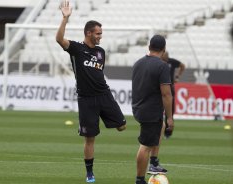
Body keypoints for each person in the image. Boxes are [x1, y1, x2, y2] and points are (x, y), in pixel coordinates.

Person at [56, 0, 127, 183]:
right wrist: (65, 19)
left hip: (104, 95)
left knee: (122, 126)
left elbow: (97, 73)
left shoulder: (101, 52)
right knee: (90, 138)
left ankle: (103, 118)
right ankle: (89, 173)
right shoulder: (77, 49)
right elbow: (59, 40)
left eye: (101, 33)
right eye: (98, 33)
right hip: (86, 99)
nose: (100, 37)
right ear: (88, 33)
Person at [132, 35, 174, 184]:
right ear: (163, 49)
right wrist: (170, 117)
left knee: (160, 126)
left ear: (149, 47)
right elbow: (166, 94)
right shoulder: (162, 66)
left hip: (139, 107)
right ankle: (140, 180)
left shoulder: (138, 63)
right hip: (150, 110)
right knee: (145, 145)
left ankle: (154, 162)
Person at [162, 51, 185, 138]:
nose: (166, 57)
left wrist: (177, 76)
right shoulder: (158, 63)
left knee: (170, 112)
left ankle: (168, 133)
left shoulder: (171, 62)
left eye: (167, 56)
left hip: (169, 87)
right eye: (164, 55)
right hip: (159, 87)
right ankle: (157, 131)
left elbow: (182, 66)